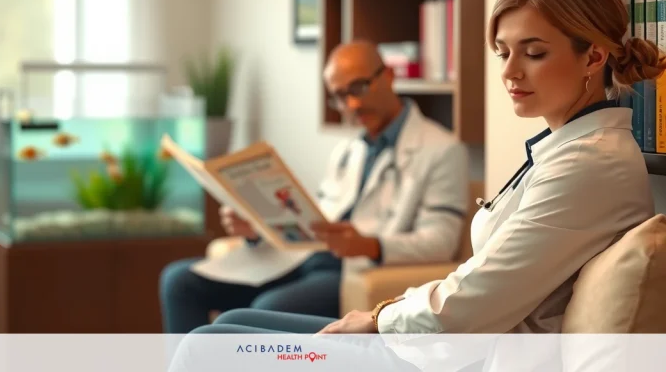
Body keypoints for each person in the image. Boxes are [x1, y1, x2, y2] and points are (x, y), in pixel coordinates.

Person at [181, 0, 660, 341]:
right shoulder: (566, 148)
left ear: (594, 56)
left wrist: (379, 316)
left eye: (533, 53)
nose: (510, 72)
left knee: (210, 344)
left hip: (466, 353)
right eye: (503, 52)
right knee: (224, 326)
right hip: (447, 340)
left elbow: (474, 300)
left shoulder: (587, 164)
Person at [159, 40, 470, 333]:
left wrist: (370, 245)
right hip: (304, 259)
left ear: (388, 76)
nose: (352, 104)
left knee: (266, 309)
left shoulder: (442, 150)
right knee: (178, 282)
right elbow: (315, 220)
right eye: (339, 95)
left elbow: (441, 241)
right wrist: (257, 230)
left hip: (348, 274)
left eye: (359, 87)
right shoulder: (348, 149)